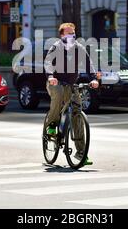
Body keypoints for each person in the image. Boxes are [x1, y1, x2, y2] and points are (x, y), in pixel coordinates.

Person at [44, 23, 99, 166]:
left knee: (77, 113)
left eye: (73, 33)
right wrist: (50, 76)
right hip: (55, 83)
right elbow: (48, 62)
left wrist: (93, 78)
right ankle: (51, 125)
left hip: (71, 85)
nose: (72, 35)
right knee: (58, 94)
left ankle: (81, 153)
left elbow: (89, 64)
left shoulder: (78, 48)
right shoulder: (56, 47)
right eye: (69, 33)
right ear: (62, 35)